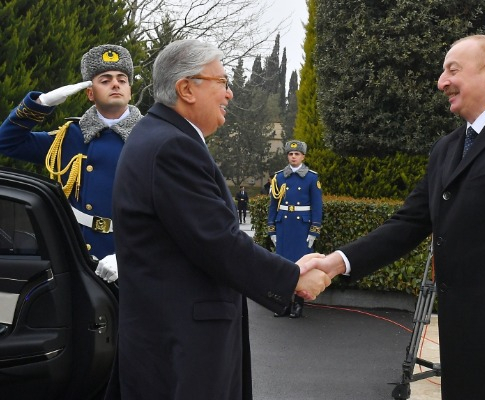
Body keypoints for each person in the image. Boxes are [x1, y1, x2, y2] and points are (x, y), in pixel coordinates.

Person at [308, 35, 485, 400]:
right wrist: (336, 262)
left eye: (452, 70)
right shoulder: (446, 150)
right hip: (461, 345)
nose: (441, 82)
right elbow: (406, 224)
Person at [107, 39, 331, 400]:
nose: (229, 94)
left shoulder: (162, 137)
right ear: (186, 89)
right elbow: (217, 241)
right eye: (222, 82)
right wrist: (291, 277)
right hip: (182, 345)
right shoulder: (171, 147)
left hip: (170, 337)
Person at [0, 44, 141, 284]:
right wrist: (40, 103)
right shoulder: (68, 137)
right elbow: (6, 142)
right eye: (105, 80)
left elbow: (168, 213)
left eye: (122, 79)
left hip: (130, 260)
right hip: (74, 257)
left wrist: (128, 255)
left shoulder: (151, 138)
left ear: (129, 90)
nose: (115, 84)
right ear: (89, 93)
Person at [268, 140, 323, 318]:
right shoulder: (279, 177)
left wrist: (314, 230)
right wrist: (272, 229)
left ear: (303, 156)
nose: (293, 157)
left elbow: (317, 206)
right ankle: (283, 304)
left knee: (302, 268)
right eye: (290, 154)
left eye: (297, 154)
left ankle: (298, 305)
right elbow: (273, 205)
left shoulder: (311, 178)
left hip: (301, 228)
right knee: (282, 266)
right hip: (284, 225)